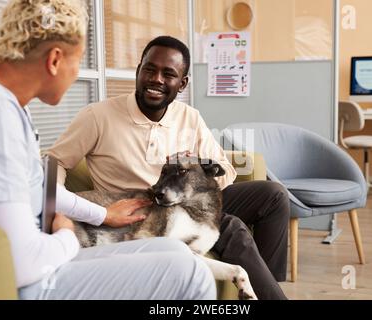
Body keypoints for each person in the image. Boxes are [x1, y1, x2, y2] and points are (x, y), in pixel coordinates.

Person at [0, 0, 216, 300]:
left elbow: (41, 190)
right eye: (78, 61)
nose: (77, 74)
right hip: (28, 280)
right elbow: (20, 264)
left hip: (40, 257)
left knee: (175, 250)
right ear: (54, 60)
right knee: (192, 274)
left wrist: (102, 214)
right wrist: (65, 234)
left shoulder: (6, 104)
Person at [48, 35, 290, 300]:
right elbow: (55, 162)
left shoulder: (190, 117)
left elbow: (224, 171)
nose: (157, 80)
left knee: (273, 195)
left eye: (168, 74)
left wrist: (195, 170)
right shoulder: (98, 116)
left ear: (182, 83)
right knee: (230, 226)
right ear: (139, 70)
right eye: (150, 69)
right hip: (145, 208)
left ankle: (269, 286)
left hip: (190, 198)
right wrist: (62, 204)